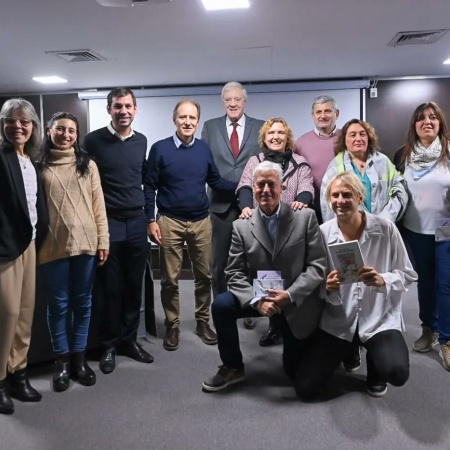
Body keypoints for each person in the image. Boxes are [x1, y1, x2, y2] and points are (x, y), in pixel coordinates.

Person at [202, 161, 327, 393]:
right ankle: (232, 366)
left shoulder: (305, 218)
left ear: (282, 187)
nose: (266, 190)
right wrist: (257, 300)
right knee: (221, 305)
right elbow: (234, 272)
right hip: (261, 296)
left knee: (294, 373)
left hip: (294, 299)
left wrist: (289, 295)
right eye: (260, 185)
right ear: (253, 187)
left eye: (272, 184)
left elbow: (318, 266)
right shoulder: (241, 225)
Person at [295, 173, 417, 399]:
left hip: (379, 319)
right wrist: (327, 286)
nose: (340, 200)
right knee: (306, 388)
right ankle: (351, 349)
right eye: (335, 195)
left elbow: (408, 274)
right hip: (340, 320)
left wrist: (384, 279)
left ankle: (375, 365)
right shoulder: (323, 233)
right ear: (329, 200)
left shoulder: (386, 228)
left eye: (347, 195)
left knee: (397, 372)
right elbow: (315, 280)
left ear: (360, 197)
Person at [145, 100, 238, 351]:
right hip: (169, 221)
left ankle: (202, 322)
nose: (187, 122)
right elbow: (150, 186)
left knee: (204, 277)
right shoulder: (160, 149)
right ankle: (172, 325)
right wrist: (150, 220)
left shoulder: (203, 149)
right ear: (174, 119)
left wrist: (244, 186)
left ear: (198, 121)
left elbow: (216, 181)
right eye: (183, 117)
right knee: (169, 279)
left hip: (200, 221)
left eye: (192, 118)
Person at [320, 118, 408, 371]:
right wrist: (336, 233)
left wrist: (384, 221)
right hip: (344, 236)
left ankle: (374, 353)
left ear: (369, 137)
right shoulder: (336, 165)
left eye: (362, 134)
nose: (357, 138)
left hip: (377, 234)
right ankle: (351, 343)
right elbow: (329, 201)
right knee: (347, 291)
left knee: (373, 290)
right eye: (351, 135)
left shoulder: (383, 162)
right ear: (344, 140)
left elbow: (399, 191)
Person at [83, 87, 153, 375]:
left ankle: (129, 340)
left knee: (133, 284)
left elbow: (144, 182)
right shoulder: (93, 141)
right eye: (117, 106)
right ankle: (109, 345)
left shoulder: (141, 141)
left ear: (135, 109)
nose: (123, 111)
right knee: (109, 287)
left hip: (136, 221)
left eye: (128, 106)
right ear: (109, 109)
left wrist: (150, 218)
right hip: (109, 222)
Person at [38, 112, 109, 392]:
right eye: (60, 129)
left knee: (83, 303)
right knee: (58, 306)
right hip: (52, 247)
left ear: (77, 135)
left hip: (86, 245)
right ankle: (62, 362)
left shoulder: (87, 165)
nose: (66, 135)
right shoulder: (38, 166)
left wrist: (103, 241)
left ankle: (79, 359)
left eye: (71, 131)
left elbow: (98, 206)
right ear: (48, 131)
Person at [237, 117, 314, 346]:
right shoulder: (255, 161)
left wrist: (302, 201)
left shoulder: (300, 162)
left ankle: (291, 326)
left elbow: (307, 188)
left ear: (287, 137)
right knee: (268, 276)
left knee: (290, 277)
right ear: (265, 137)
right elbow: (244, 186)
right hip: (262, 226)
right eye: (271, 133)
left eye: (281, 132)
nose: (276, 136)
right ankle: (274, 325)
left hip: (289, 228)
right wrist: (246, 207)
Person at [201, 81, 264, 330]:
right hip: (220, 205)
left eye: (237, 99)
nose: (233, 103)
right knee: (219, 263)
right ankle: (221, 308)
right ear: (223, 102)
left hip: (253, 206)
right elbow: (206, 164)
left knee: (253, 260)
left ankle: (250, 306)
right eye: (228, 100)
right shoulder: (210, 126)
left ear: (244, 101)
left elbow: (263, 162)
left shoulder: (260, 127)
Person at [0, 98, 48, 415]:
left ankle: (19, 373)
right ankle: (0, 381)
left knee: (26, 314)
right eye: (11, 121)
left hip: (29, 244)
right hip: (4, 248)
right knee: (7, 314)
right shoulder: (1, 158)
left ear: (32, 127)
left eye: (25, 121)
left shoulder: (31, 161)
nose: (18, 126)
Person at [396, 102, 450, 370]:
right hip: (415, 229)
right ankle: (428, 328)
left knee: (445, 283)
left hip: (446, 229)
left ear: (440, 122)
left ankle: (447, 339)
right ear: (413, 125)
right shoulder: (403, 154)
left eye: (432, 118)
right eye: (420, 118)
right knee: (424, 282)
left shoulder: (449, 152)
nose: (427, 122)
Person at [295, 95, 340, 224]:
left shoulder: (347, 139)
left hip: (342, 206)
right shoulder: (301, 143)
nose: (323, 116)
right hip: (313, 208)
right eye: (318, 112)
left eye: (327, 111)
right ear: (313, 115)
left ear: (337, 113)